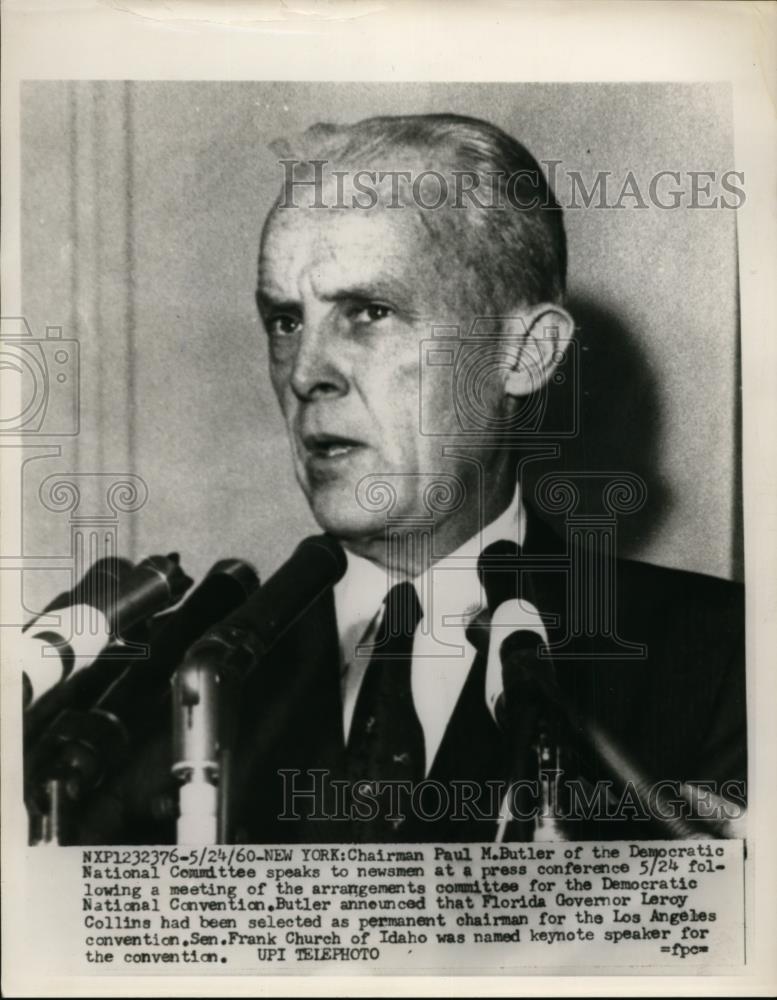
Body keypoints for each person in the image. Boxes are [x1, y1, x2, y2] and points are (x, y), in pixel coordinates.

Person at [75, 113, 747, 845]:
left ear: (524, 354)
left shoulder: (721, 666)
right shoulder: (147, 696)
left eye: (369, 312)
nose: (305, 374)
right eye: (285, 321)